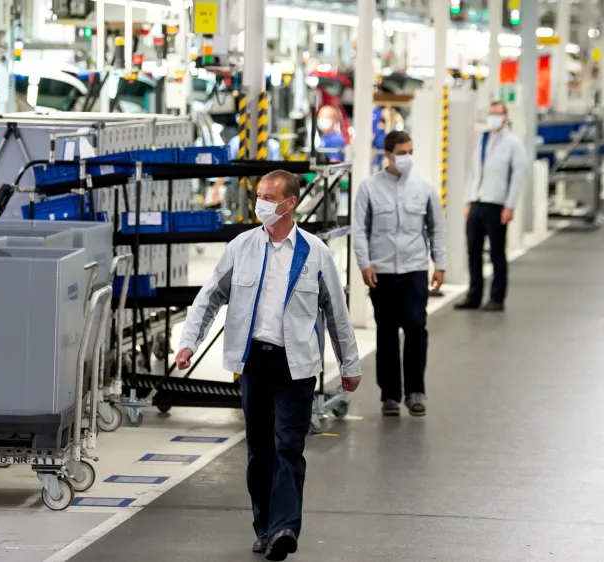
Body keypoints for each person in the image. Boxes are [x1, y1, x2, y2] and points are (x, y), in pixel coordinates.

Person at [175, 170, 361, 561]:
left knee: (289, 447)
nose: (260, 203)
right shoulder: (242, 246)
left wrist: (349, 363)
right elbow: (208, 297)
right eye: (258, 195)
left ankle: (285, 528)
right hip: (254, 363)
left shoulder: (314, 252)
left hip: (297, 367)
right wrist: (188, 342)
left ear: (290, 203)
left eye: (268, 196)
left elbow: (337, 313)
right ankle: (265, 526)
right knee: (260, 451)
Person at [352, 130, 447, 417]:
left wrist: (439, 264)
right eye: (402, 153)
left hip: (415, 270)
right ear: (388, 155)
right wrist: (364, 264)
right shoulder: (369, 188)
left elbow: (436, 228)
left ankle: (416, 391)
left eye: (410, 151)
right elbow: (359, 230)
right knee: (387, 334)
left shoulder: (425, 188)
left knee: (417, 329)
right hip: (382, 273)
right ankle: (390, 395)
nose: (407, 157)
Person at [454, 101, 527, 312]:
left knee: (496, 253)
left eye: (498, 114)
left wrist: (510, 205)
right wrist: (468, 200)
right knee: (473, 251)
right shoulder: (483, 139)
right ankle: (474, 295)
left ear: (505, 117)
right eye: (491, 113)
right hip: (477, 202)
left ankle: (497, 297)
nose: (493, 117)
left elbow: (518, 176)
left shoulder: (513, 143)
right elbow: (473, 172)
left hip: (497, 204)